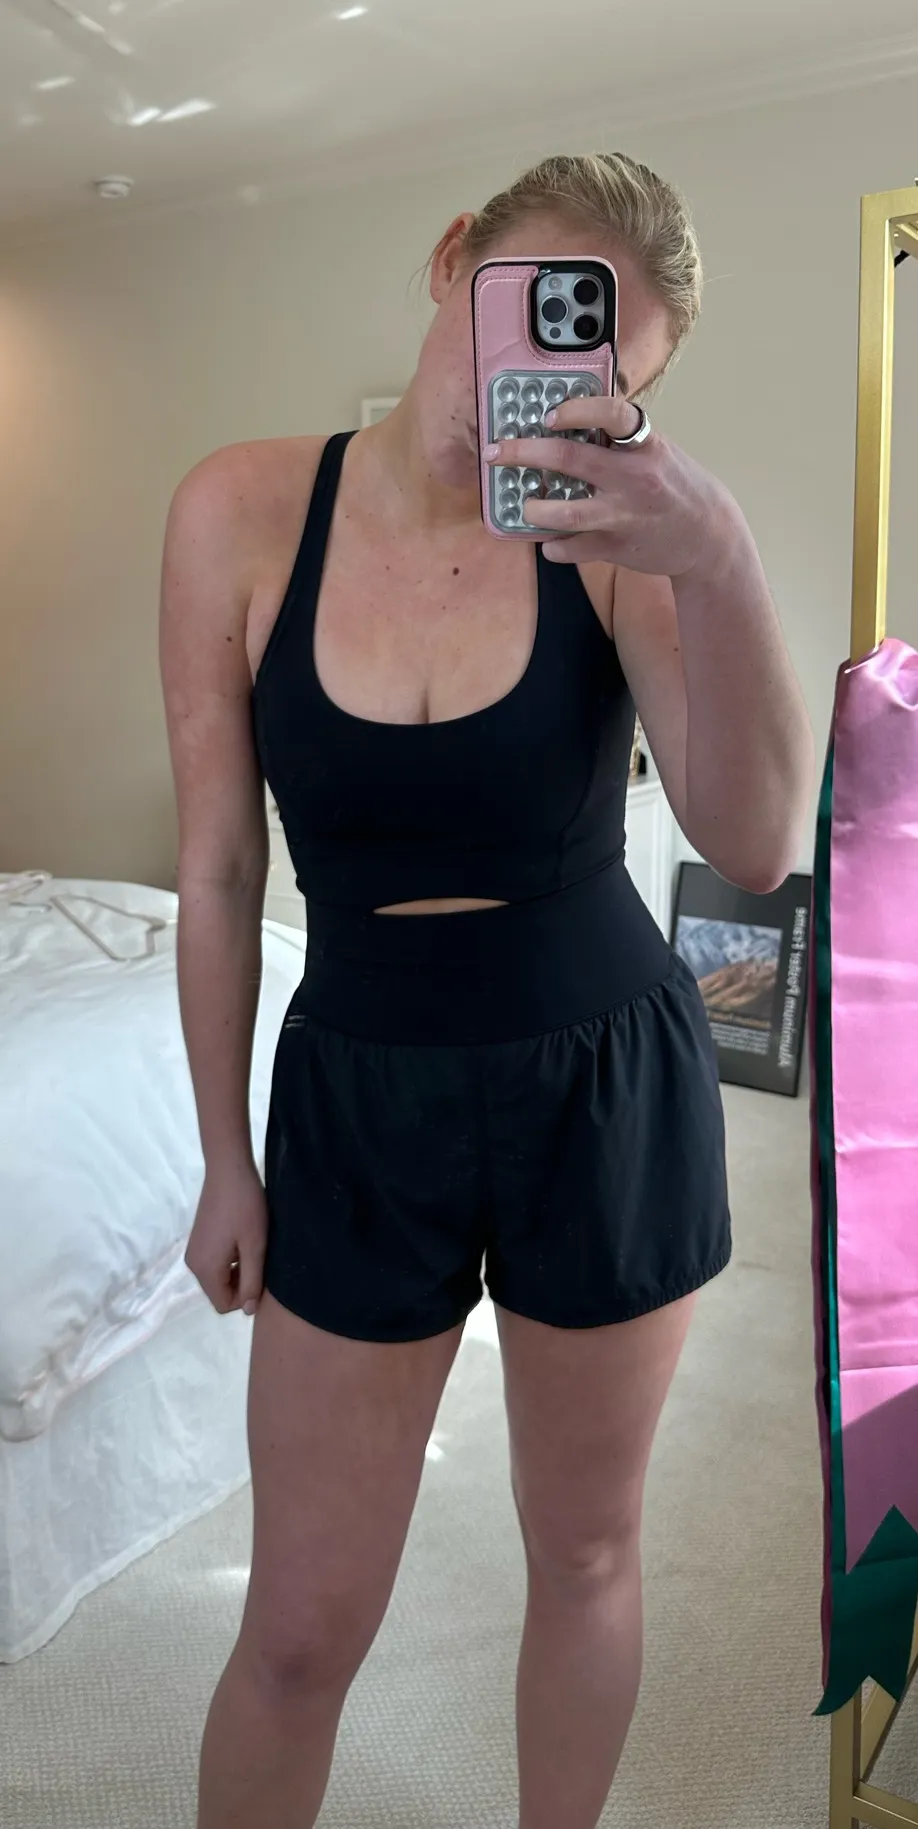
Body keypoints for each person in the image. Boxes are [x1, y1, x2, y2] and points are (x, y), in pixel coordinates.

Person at [160, 152, 815, 1829]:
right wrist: (225, 1156)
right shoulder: (238, 511)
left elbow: (752, 842)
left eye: (603, 378)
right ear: (457, 258)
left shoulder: (610, 534)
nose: (542, 389)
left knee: (584, 1551)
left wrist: (716, 552)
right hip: (355, 1088)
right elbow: (218, 869)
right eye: (536, 320)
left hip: (602, 1086)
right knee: (297, 1628)